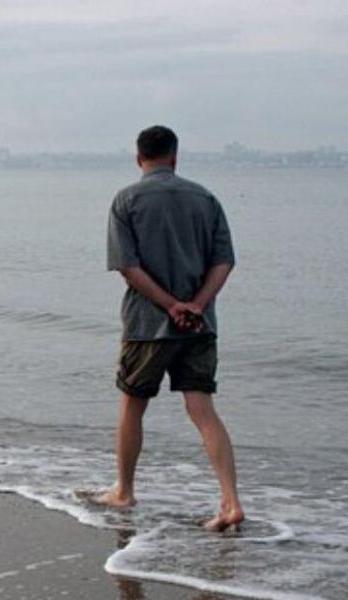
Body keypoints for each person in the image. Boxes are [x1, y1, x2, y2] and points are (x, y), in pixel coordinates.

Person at [86, 125, 244, 531]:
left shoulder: (127, 199)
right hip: (199, 325)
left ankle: (124, 490)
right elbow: (223, 261)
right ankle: (230, 502)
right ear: (175, 157)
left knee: (132, 406)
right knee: (202, 409)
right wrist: (196, 305)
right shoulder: (205, 198)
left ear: (139, 158)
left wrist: (171, 306)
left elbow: (127, 265)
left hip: (147, 326)